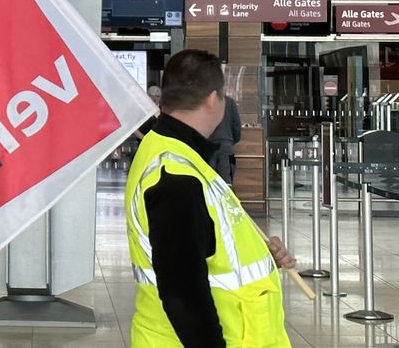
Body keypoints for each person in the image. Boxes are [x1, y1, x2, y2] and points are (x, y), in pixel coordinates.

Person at [126, 49, 295, 347]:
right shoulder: (175, 175)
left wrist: (259, 253)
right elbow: (182, 289)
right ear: (213, 99)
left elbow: (206, 243)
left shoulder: (183, 156)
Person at [207, 94, 242, 184]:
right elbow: (237, 126)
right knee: (227, 182)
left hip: (208, 148)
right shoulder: (229, 102)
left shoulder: (204, 102)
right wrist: (232, 140)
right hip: (226, 147)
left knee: (209, 182)